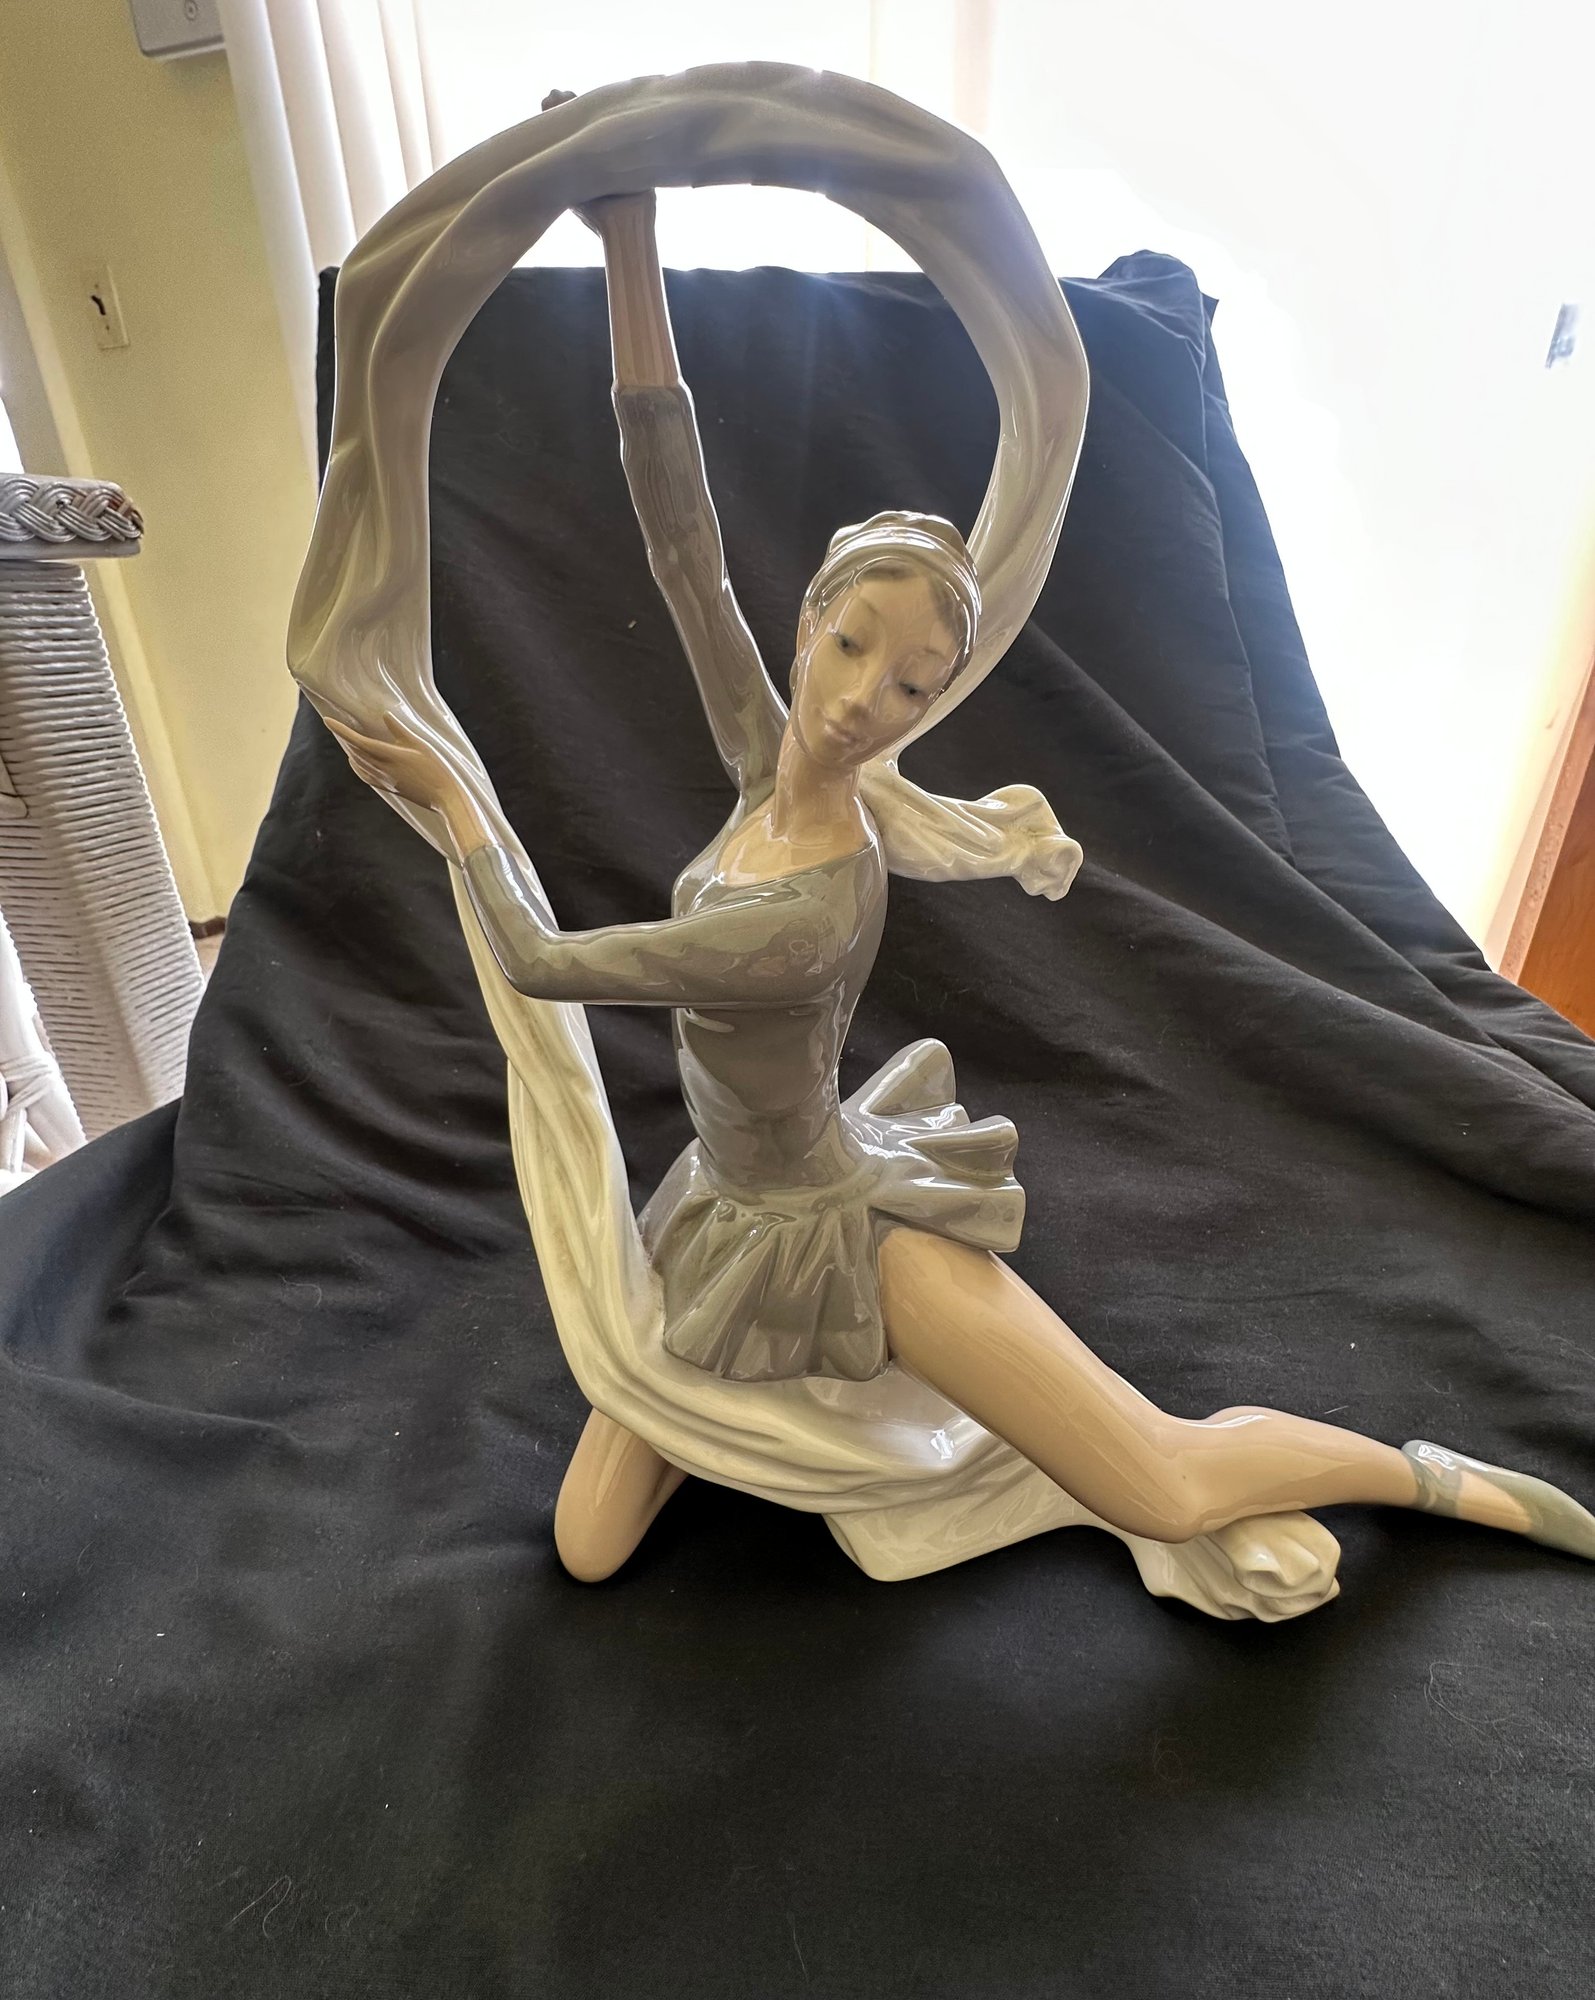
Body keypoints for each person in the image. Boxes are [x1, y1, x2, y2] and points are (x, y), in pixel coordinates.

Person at [326, 179, 1595, 1609]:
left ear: (933, 704)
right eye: (850, 646)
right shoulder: (762, 760)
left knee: (1159, 1476)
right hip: (726, 1214)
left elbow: (543, 962)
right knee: (588, 1546)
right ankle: (874, 1428)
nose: (860, 701)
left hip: (845, 1233)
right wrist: (629, 239)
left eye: (911, 686)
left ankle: (1422, 1476)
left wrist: (451, 805)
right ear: (809, 622)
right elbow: (679, 534)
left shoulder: (805, 917)